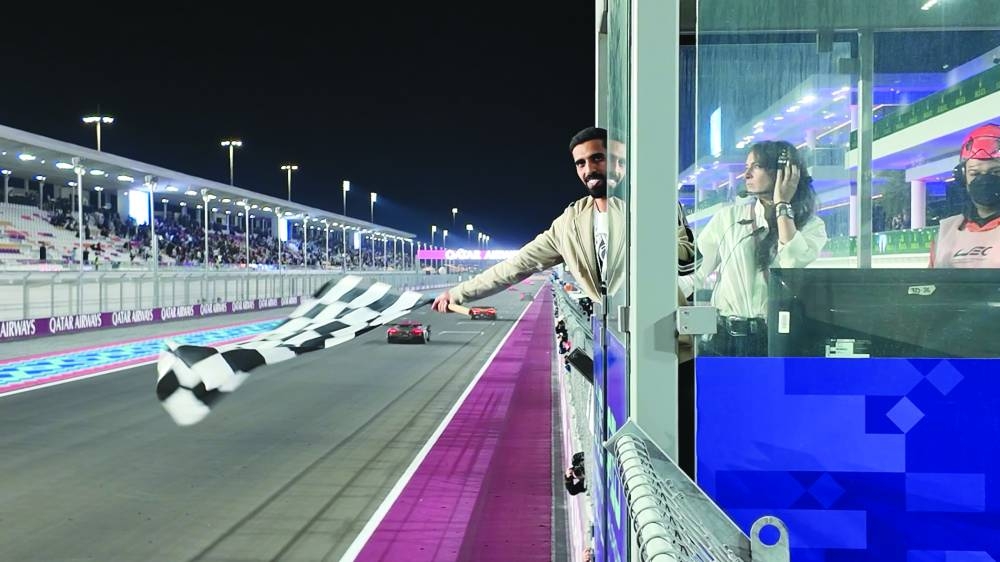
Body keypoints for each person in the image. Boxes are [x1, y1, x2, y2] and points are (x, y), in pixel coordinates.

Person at [432, 126, 625, 311]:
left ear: (619, 162)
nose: (588, 169)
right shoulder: (569, 224)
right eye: (580, 163)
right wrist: (457, 293)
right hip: (611, 334)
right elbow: (516, 265)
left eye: (597, 158)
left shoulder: (639, 209)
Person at [682, 140, 827, 356]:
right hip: (724, 340)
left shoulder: (810, 226)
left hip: (775, 341)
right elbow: (694, 273)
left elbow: (791, 264)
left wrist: (782, 205)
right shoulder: (729, 218)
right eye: (746, 168)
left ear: (783, 172)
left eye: (756, 166)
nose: (746, 175)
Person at [930, 124, 1000, 268]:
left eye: (995, 172)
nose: (985, 180)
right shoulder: (946, 231)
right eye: (974, 173)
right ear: (963, 178)